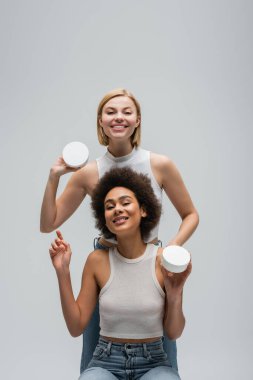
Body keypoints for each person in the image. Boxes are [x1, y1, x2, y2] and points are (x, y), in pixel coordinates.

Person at [40, 88, 199, 372]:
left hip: (151, 263)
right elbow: (48, 224)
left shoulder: (160, 164)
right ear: (100, 121)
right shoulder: (88, 172)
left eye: (127, 111)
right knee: (94, 355)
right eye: (110, 112)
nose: (119, 117)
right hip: (106, 263)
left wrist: (168, 252)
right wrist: (54, 178)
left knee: (165, 351)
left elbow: (191, 215)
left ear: (138, 120)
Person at [49, 167, 192, 379]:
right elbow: (76, 326)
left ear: (143, 210)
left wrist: (175, 294)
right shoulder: (96, 261)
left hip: (153, 362)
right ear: (104, 219)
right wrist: (63, 273)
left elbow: (173, 333)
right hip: (105, 361)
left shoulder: (163, 260)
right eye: (109, 206)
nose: (117, 209)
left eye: (125, 203)